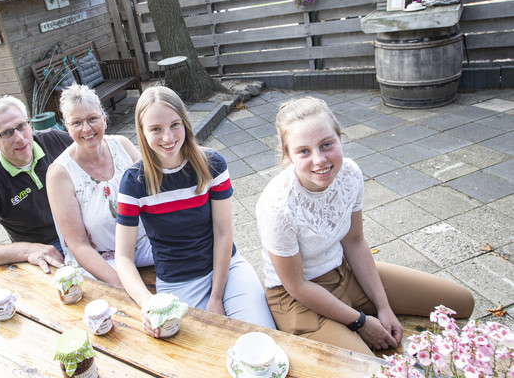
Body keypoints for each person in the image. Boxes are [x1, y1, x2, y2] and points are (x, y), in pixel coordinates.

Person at [256, 96, 474, 355]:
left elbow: (354, 241)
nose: (320, 160)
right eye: (304, 151)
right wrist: (360, 322)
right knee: (371, 374)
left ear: (340, 138)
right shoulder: (276, 206)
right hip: (298, 299)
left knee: (461, 303)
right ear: (287, 154)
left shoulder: (349, 173)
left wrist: (384, 307)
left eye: (327, 145)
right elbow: (296, 285)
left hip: (344, 272)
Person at [115, 86, 276, 337]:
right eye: (156, 129)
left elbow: (224, 234)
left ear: (185, 123)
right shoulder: (133, 182)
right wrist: (147, 304)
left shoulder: (212, 164)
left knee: (263, 338)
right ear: (142, 132)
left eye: (175, 125)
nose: (168, 137)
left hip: (227, 269)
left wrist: (216, 297)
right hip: (178, 284)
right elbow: (123, 257)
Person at [46, 84, 153, 286]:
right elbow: (78, 245)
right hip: (103, 261)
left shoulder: (123, 145)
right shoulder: (59, 174)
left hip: (144, 244)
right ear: (67, 128)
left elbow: (153, 195)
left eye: (92, 119)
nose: (86, 129)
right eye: (76, 123)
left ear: (104, 119)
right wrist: (122, 285)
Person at [0, 95, 73, 273]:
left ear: (29, 124)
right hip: (47, 249)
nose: (19, 138)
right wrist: (28, 250)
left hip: (84, 227)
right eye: (7, 133)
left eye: (21, 126)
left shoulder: (56, 141)